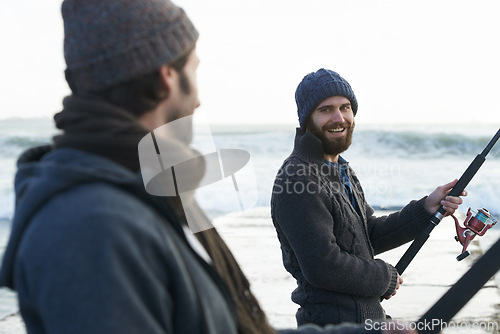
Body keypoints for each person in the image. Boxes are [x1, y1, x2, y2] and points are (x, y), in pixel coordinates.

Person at [0, 1, 417, 334]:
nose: (198, 100)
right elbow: (322, 265)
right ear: (167, 77)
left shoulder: (153, 192)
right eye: (193, 72)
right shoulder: (93, 228)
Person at [270, 68, 467, 327]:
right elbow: (323, 265)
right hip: (331, 327)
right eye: (326, 109)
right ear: (307, 119)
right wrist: (384, 276)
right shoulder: (297, 177)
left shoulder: (341, 169)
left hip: (367, 322)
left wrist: (426, 209)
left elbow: (367, 235)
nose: (339, 117)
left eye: (345, 107)